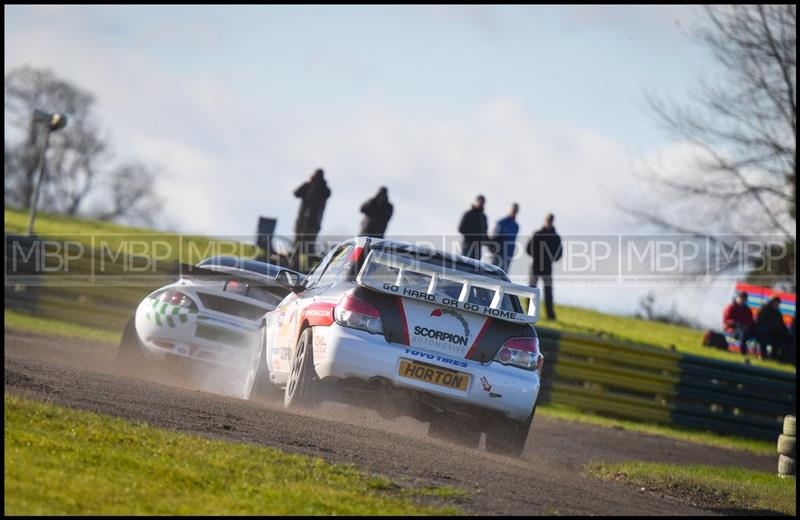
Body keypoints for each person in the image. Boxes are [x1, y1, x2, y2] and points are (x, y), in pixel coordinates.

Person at [526, 213, 562, 320]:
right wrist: (537, 256)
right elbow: (528, 249)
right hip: (536, 265)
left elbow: (559, 253)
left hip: (547, 267)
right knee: (531, 289)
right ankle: (529, 313)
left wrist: (551, 258)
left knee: (548, 290)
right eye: (547, 220)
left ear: (552, 221)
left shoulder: (556, 237)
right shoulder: (537, 234)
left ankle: (550, 315)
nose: (549, 222)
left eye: (550, 220)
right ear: (544, 220)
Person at [293, 168, 331, 266]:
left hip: (311, 223)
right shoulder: (320, 188)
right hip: (306, 222)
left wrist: (310, 182)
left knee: (305, 245)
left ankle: (299, 264)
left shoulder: (323, 190)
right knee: (301, 244)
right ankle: (298, 263)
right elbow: (296, 193)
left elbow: (296, 193)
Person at [755, 296, 790, 360]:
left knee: (784, 339)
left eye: (778, 303)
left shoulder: (778, 314)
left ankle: (776, 358)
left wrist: (787, 332)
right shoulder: (763, 310)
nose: (776, 304)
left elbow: (782, 325)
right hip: (764, 332)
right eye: (775, 302)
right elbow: (759, 322)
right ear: (771, 302)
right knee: (763, 335)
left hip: (774, 334)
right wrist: (770, 329)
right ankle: (763, 356)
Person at [723, 291, 756, 356]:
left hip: (746, 330)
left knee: (759, 333)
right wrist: (737, 324)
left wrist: (753, 327)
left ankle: (762, 355)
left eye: (744, 298)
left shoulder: (747, 310)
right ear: (737, 298)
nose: (742, 300)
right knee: (743, 333)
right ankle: (743, 353)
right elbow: (726, 320)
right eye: (741, 298)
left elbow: (751, 322)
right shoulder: (731, 307)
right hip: (732, 330)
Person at [490, 203, 520, 273]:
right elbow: (491, 238)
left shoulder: (516, 226)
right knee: (493, 274)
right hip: (498, 255)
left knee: (503, 276)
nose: (514, 212)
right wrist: (494, 250)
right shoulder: (500, 223)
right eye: (513, 210)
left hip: (508, 255)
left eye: (516, 210)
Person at [458, 195, 489, 261]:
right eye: (479, 201)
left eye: (483, 202)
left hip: (478, 248)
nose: (481, 203)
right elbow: (461, 229)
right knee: (464, 264)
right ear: (476, 201)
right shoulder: (468, 214)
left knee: (475, 268)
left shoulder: (483, 217)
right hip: (468, 246)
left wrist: (489, 243)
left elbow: (485, 233)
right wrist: (473, 237)